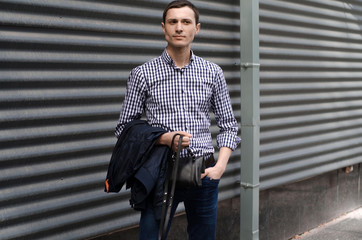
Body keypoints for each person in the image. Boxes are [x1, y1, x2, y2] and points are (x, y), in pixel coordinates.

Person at [115, 1, 241, 239]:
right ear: (164, 28)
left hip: (203, 172)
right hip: (160, 171)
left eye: (186, 22)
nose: (179, 28)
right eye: (173, 22)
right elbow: (124, 128)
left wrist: (220, 167)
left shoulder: (213, 72)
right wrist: (163, 138)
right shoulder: (142, 73)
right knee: (151, 235)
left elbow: (228, 125)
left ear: (197, 28)